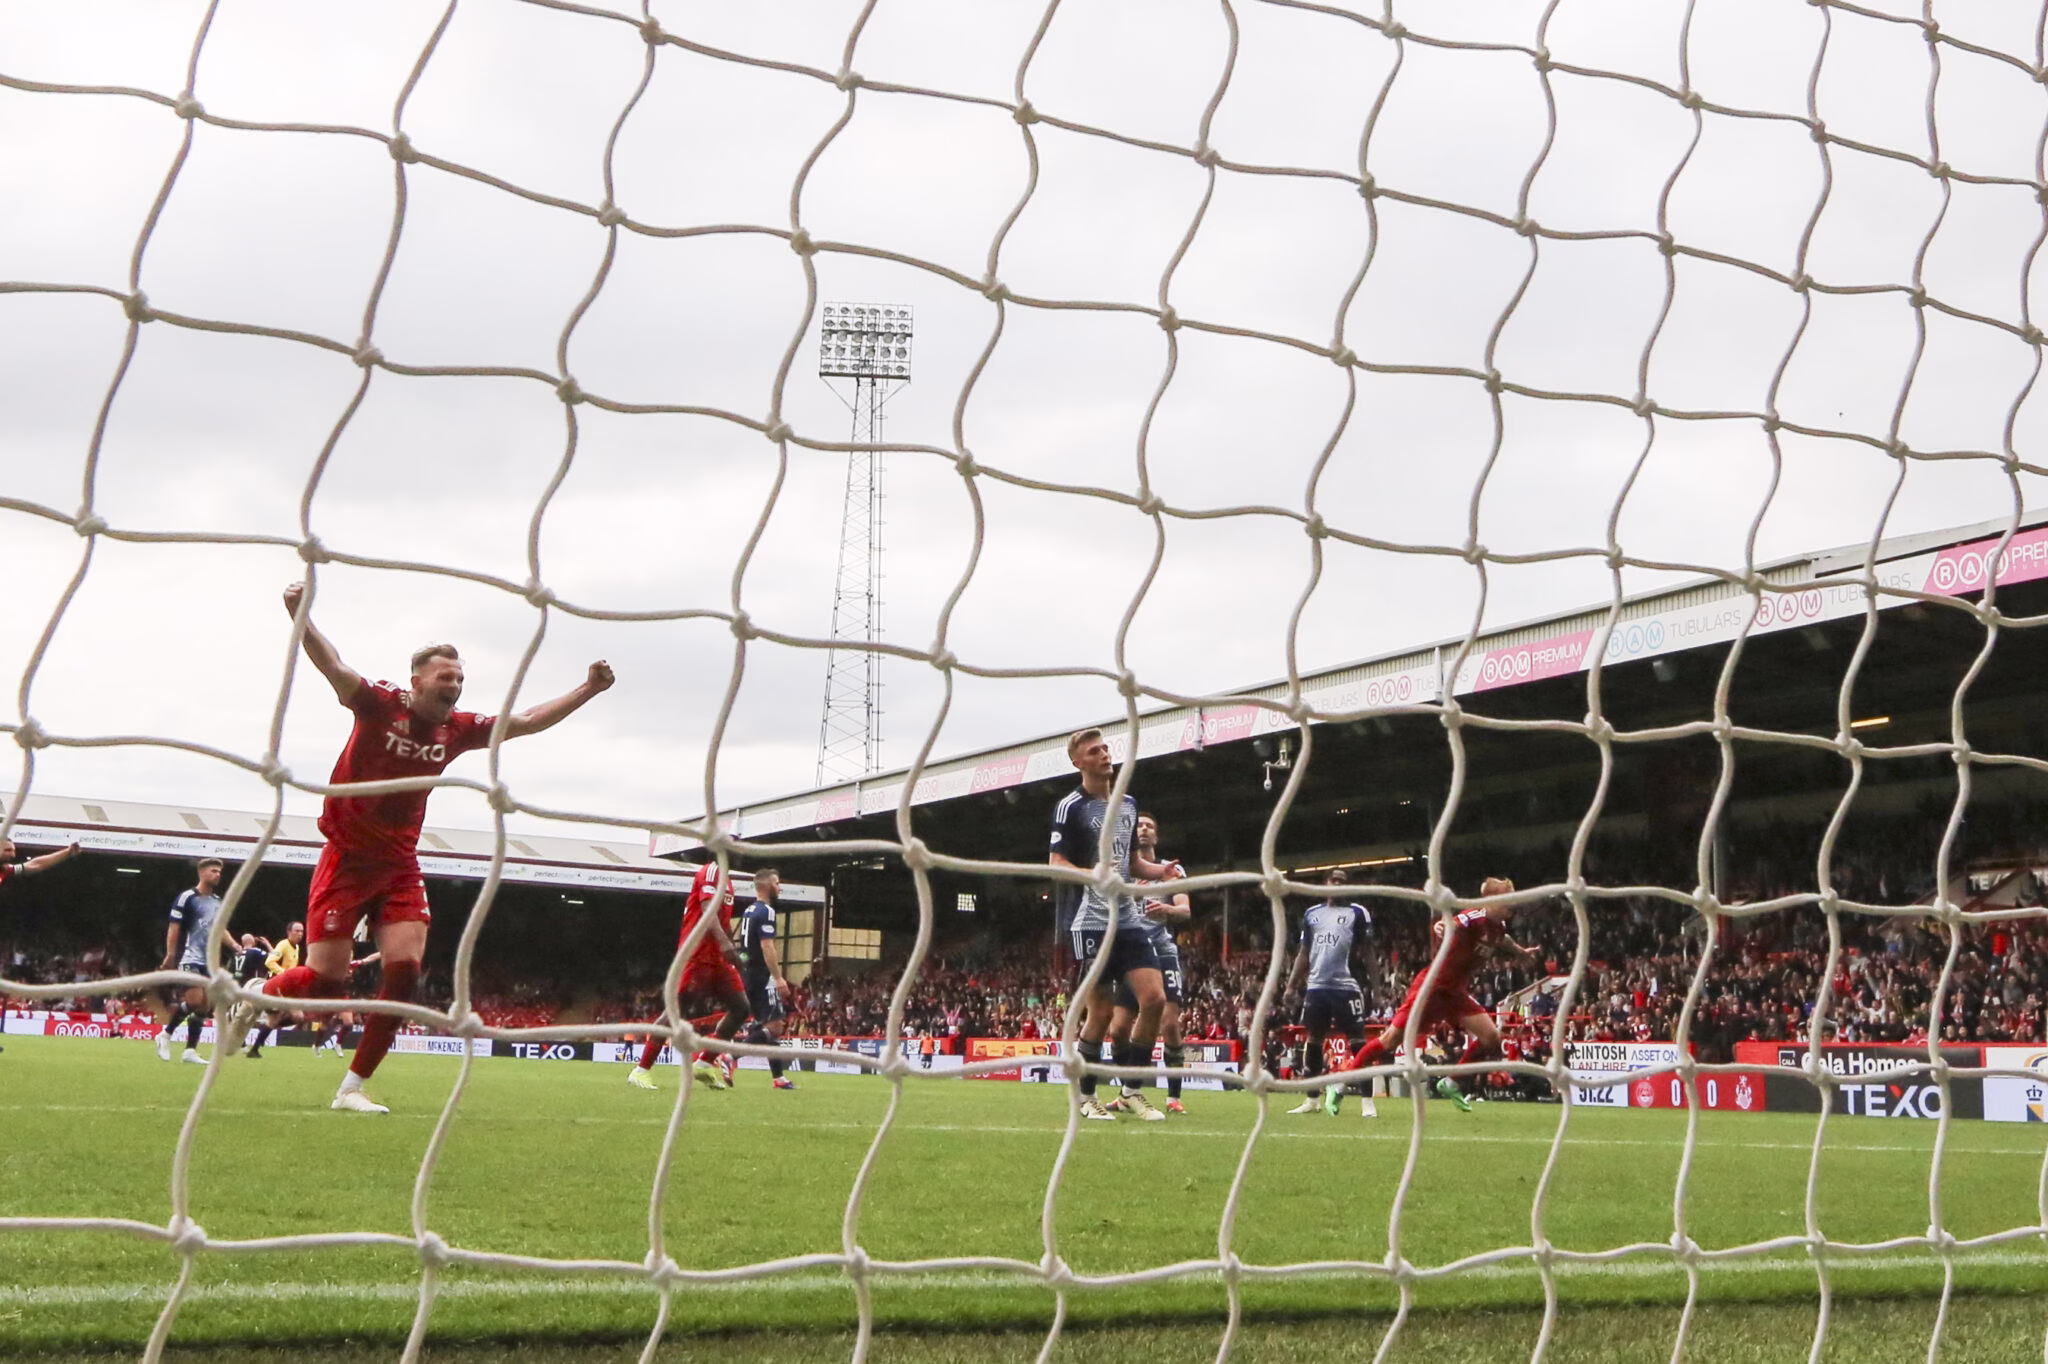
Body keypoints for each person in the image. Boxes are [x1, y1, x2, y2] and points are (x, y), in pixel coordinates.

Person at [260, 581, 615, 1113]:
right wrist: (299, 613)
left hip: (399, 865)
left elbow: (524, 721)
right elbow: (332, 666)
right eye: (447, 677)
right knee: (325, 980)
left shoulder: (458, 729)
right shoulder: (379, 704)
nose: (456, 685)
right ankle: (258, 998)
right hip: (347, 859)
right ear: (418, 681)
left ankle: (351, 1088)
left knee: (404, 971)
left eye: (461, 678)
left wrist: (587, 689)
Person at [1049, 728, 1182, 1122]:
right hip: (1090, 920)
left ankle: (1130, 1092)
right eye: (1095, 751)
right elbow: (1056, 864)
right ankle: (1086, 1097)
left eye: (1106, 748)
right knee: (1102, 1013)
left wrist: (1160, 872)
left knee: (1154, 999)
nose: (1105, 755)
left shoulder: (1128, 804)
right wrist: (1092, 873)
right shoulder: (1070, 807)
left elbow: (1131, 863)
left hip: (1127, 919)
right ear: (1078, 762)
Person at [1337, 877, 1539, 1113]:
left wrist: (1521, 952)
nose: (1512, 904)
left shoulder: (1499, 926)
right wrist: (1441, 925)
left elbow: (1503, 940)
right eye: (1507, 900)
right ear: (1491, 900)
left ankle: (1451, 1082)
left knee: (1491, 1038)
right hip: (1432, 987)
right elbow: (1451, 924)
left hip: (1455, 993)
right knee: (1390, 1040)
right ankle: (1340, 1083)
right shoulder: (1474, 917)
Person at [627, 861, 749, 1091]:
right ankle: (641, 1070)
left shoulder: (727, 880)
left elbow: (722, 920)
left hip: (718, 959)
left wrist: (730, 948)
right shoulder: (710, 872)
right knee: (676, 1012)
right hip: (697, 953)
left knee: (741, 1008)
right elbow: (707, 911)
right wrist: (725, 944)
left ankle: (703, 1064)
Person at [1104, 813, 1192, 1115]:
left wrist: (1166, 910)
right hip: (1130, 954)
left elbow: (1185, 910)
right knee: (1117, 1030)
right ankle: (1127, 1092)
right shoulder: (1121, 870)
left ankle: (1173, 1096)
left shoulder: (1170, 870)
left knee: (1169, 1023)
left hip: (1161, 951)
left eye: (1149, 826)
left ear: (1157, 836)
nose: (1143, 829)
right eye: (1138, 825)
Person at [1284, 869, 1377, 1118]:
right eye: (1333, 880)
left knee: (1358, 1041)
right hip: (1317, 987)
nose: (1337, 883)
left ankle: (1367, 1102)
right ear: (1325, 884)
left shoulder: (1358, 912)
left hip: (1347, 987)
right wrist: (1291, 985)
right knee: (1314, 1040)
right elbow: (1304, 953)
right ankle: (1312, 1099)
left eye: (1342, 881)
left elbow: (1368, 953)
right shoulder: (1311, 914)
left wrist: (1377, 990)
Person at [0, 837, 79, 1056]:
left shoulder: (5, 870)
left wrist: (66, 852)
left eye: (13, 850)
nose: (12, 854)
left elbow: (36, 864)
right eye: (7, 850)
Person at [157, 859, 225, 1064]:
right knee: (195, 1000)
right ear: (202, 873)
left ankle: (189, 1051)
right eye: (214, 871)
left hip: (208, 961)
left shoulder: (217, 901)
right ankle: (165, 1034)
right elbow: (174, 927)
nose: (218, 875)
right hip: (189, 956)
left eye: (219, 872)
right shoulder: (187, 897)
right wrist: (170, 954)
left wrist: (235, 946)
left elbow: (219, 929)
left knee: (204, 1006)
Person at [736, 868, 795, 1089]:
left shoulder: (749, 910)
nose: (780, 888)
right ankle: (731, 1056)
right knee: (776, 1026)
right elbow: (767, 946)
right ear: (767, 886)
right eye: (777, 883)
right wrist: (778, 978)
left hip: (747, 973)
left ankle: (778, 1077)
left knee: (768, 1025)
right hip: (761, 974)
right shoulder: (766, 911)